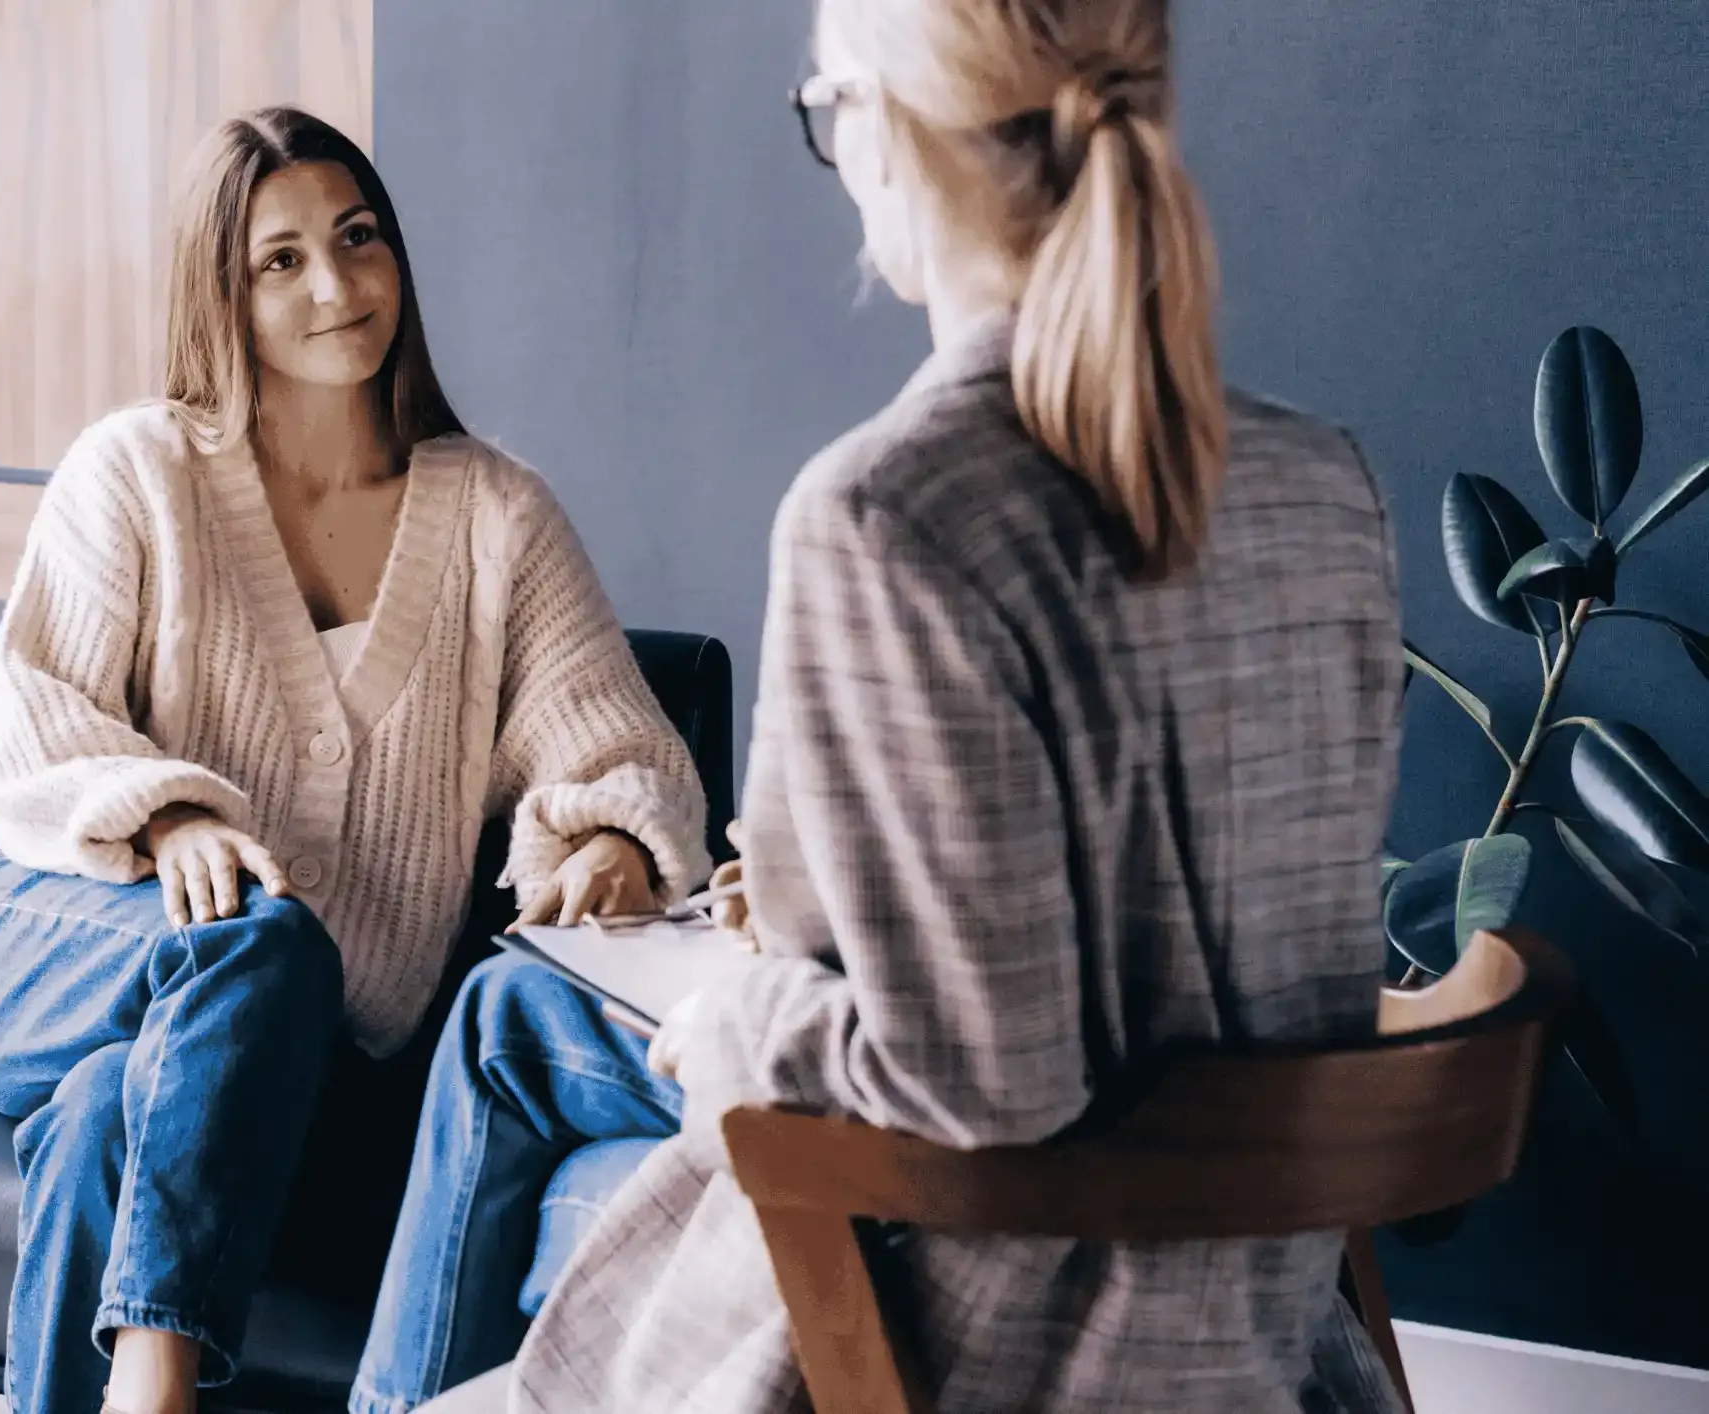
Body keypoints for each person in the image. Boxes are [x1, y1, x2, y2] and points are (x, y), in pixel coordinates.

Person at [351, 1, 1412, 1410]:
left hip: (996, 1339)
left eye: (827, 106)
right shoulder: (1319, 483)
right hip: (1263, 1336)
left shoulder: (888, 511)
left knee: (573, 1136)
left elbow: (986, 1084)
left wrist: (746, 1020)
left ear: (892, 130)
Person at [0, 106, 712, 1414]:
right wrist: (169, 817)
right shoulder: (137, 471)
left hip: (310, 1040)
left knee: (115, 1105)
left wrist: (611, 839)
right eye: (277, 259)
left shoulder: (494, 516)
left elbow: (612, 739)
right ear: (219, 294)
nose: (335, 286)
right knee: (261, 942)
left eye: (356, 239)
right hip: (54, 926)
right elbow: (28, 726)